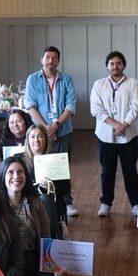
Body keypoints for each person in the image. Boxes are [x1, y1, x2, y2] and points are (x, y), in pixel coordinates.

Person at [24, 46, 79, 217]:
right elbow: (30, 106)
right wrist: (46, 128)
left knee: (62, 168)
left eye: (54, 58)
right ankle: (41, 198)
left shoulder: (66, 79)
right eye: (47, 57)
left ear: (58, 61)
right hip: (41, 132)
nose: (51, 61)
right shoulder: (33, 79)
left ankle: (66, 201)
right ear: (42, 59)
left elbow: (70, 105)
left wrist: (56, 125)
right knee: (41, 164)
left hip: (63, 130)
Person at [90, 51, 138, 218]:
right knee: (107, 171)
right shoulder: (99, 85)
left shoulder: (133, 83)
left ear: (124, 65)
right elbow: (96, 109)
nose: (115, 66)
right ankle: (106, 202)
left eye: (119, 63)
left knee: (130, 171)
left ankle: (135, 204)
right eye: (112, 63)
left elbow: (137, 106)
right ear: (107, 66)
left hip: (129, 136)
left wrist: (124, 124)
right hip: (105, 136)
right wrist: (116, 125)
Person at [24, 125, 71, 215]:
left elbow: (66, 188)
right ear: (27, 140)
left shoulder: (56, 159)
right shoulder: (20, 160)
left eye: (40, 136)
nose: (36, 140)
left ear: (46, 139)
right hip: (29, 204)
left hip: (53, 204)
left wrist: (52, 187)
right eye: (32, 137)